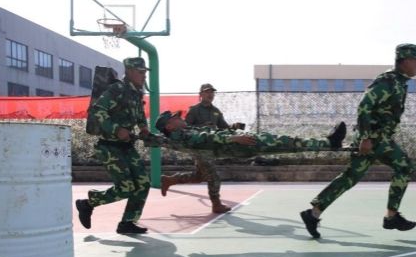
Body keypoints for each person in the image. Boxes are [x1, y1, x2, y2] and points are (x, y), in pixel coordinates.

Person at [299, 43, 416, 239]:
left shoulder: (398, 82)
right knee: (404, 167)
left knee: (350, 177)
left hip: (376, 139)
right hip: (374, 139)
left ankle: (313, 214)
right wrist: (365, 138)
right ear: (405, 60)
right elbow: (364, 106)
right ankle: (391, 217)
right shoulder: (388, 81)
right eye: (415, 60)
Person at [75, 57, 152, 235]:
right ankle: (88, 203)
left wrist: (144, 129)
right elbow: (97, 110)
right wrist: (116, 129)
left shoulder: (136, 93)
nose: (144, 76)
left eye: (145, 72)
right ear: (130, 72)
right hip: (109, 146)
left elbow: (139, 114)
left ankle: (127, 222)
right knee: (126, 188)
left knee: (143, 183)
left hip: (126, 146)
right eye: (141, 72)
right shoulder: (117, 89)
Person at [160, 83, 246, 213]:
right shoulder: (194, 110)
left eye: (212, 92)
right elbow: (185, 128)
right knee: (213, 176)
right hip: (198, 146)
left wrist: (234, 126)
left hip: (210, 146)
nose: (210, 94)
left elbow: (223, 128)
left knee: (200, 176)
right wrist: (203, 127)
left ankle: (170, 179)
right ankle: (216, 204)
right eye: (207, 92)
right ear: (201, 94)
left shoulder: (216, 111)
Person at [149, 109, 346, 158]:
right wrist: (233, 137)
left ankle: (327, 143)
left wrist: (232, 130)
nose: (180, 117)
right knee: (286, 141)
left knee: (286, 143)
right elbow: (206, 138)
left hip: (237, 143)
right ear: (170, 126)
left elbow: (210, 133)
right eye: (175, 118)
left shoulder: (182, 132)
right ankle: (329, 143)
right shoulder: (182, 135)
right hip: (238, 144)